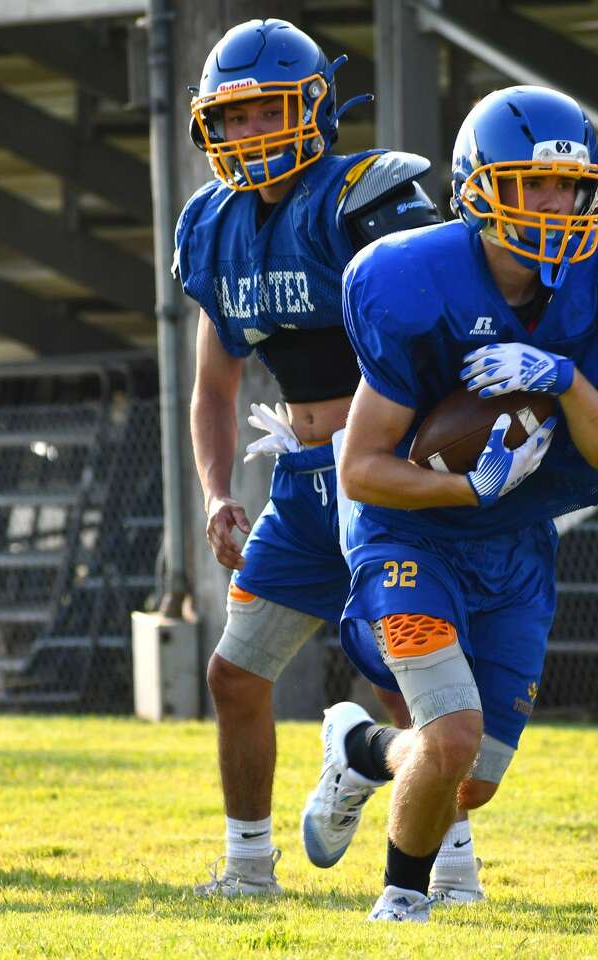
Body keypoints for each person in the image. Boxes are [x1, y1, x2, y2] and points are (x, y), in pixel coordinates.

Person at [299, 85, 598, 922]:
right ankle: (402, 901)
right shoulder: (415, 283)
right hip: (408, 533)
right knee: (452, 733)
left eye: (570, 186)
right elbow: (360, 469)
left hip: (513, 542)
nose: (557, 204)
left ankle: (362, 749)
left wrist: (562, 377)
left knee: (470, 778)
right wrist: (464, 486)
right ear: (477, 187)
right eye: (534, 183)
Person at [173, 18, 483, 898]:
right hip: (302, 478)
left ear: (313, 106)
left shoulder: (364, 197)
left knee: (402, 679)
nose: (247, 133)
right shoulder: (214, 226)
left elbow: (439, 335)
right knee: (235, 674)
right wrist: (215, 493)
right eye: (230, 117)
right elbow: (213, 389)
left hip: (380, 473)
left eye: (265, 110)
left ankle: (450, 868)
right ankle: (246, 867)